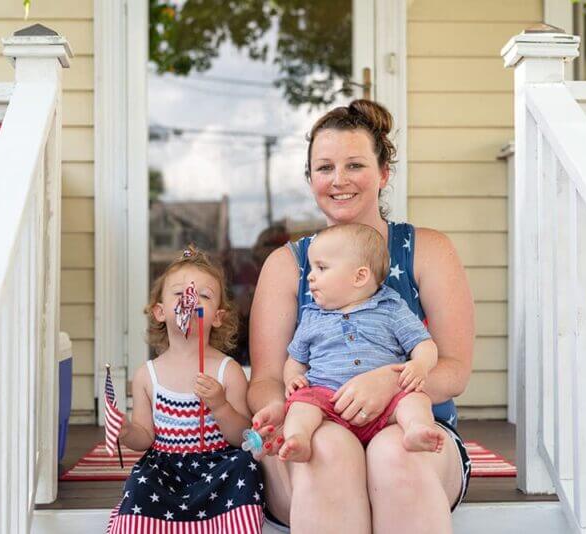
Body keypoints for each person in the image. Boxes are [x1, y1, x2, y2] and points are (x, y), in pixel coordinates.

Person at [247, 99, 475, 534]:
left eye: (354, 165)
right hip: (317, 425)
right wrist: (279, 411)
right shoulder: (288, 264)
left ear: (383, 173)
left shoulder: (427, 250)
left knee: (395, 454)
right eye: (325, 168)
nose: (339, 181)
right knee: (325, 449)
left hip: (411, 429)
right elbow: (266, 378)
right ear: (310, 178)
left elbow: (455, 369)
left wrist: (391, 381)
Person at [106, 246, 264, 533]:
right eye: (180, 294)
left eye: (203, 296)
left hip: (218, 468)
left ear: (217, 316)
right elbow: (144, 437)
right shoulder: (147, 375)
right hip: (165, 472)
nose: (189, 302)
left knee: (244, 464)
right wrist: (126, 430)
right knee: (140, 483)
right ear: (159, 312)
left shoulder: (227, 370)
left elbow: (241, 435)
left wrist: (220, 405)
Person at [279, 223, 447, 463]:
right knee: (301, 405)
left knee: (414, 399)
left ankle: (415, 430)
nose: (310, 276)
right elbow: (295, 360)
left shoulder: (390, 308)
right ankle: (298, 439)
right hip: (327, 401)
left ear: (359, 276)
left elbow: (424, 344)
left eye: (322, 267)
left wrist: (420, 365)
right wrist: (292, 378)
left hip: (385, 405)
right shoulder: (312, 316)